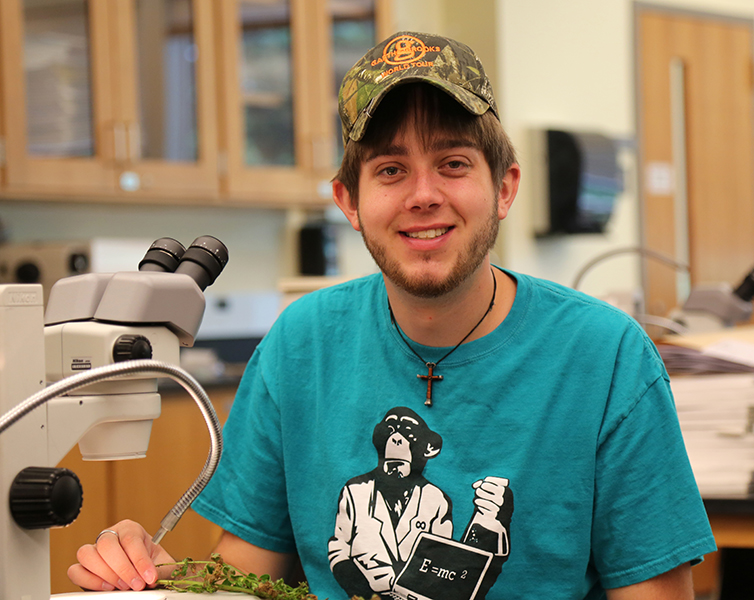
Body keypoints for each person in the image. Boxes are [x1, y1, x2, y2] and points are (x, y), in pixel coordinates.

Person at [68, 31, 716, 599]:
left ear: (505, 187)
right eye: (391, 169)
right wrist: (160, 577)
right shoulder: (302, 346)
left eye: (454, 164)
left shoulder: (605, 358)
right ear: (349, 200)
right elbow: (248, 573)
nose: (424, 195)